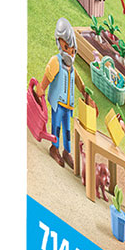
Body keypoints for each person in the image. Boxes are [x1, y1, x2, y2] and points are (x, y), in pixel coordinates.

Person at [37, 17, 78, 170]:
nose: (70, 52)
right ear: (60, 43)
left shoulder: (72, 68)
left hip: (68, 105)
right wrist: (41, 88)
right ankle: (54, 148)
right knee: (57, 127)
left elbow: (78, 81)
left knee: (67, 129)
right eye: (67, 47)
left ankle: (67, 151)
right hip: (58, 103)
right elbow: (49, 75)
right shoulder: (56, 61)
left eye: (72, 49)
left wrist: (85, 94)